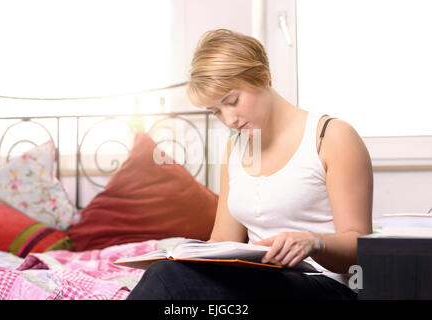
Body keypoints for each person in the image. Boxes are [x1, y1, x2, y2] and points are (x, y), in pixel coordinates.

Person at [127, 29, 373, 300]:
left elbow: (359, 248)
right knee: (169, 275)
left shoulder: (332, 136)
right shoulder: (235, 148)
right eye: (216, 111)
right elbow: (223, 242)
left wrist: (312, 242)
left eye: (232, 101)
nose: (228, 119)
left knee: (167, 279)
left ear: (264, 77)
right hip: (260, 283)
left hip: (325, 287)